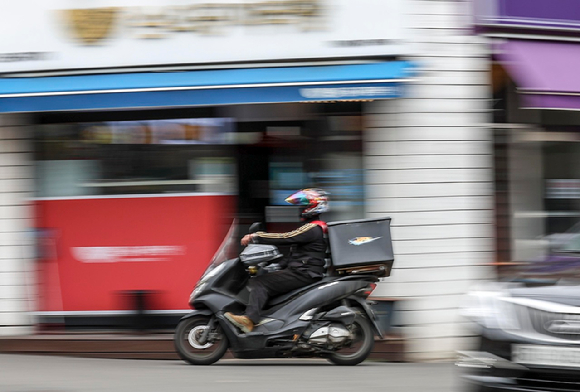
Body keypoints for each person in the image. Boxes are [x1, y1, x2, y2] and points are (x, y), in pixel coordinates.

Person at [225, 188, 329, 333]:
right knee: (265, 277)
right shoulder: (314, 228)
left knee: (259, 282)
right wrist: (276, 265)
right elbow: (298, 254)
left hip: (303, 273)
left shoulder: (312, 228)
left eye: (302, 206)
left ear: (311, 207)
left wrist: (256, 236)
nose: (300, 210)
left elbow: (285, 237)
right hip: (304, 271)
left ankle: (249, 319)